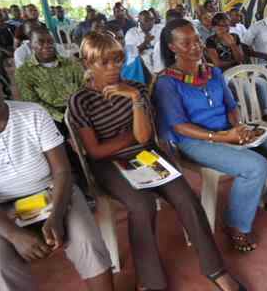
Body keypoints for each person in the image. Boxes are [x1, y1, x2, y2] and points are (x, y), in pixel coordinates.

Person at [69, 31, 247, 291]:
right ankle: (151, 281)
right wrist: (128, 139)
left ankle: (216, 270)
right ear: (87, 64)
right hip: (108, 164)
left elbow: (143, 138)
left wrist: (133, 99)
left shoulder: (137, 88)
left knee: (187, 197)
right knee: (141, 205)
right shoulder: (80, 101)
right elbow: (95, 151)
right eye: (104, 62)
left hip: (145, 154)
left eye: (117, 60)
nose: (113, 68)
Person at [0, 55, 114, 291]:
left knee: (87, 241)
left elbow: (63, 171)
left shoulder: (32, 114)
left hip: (51, 192)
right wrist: (15, 235)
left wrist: (56, 215)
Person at [154, 19, 267, 254]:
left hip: (227, 129)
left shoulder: (212, 72)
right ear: (172, 48)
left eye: (197, 39)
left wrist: (239, 128)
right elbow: (179, 127)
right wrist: (225, 137)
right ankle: (236, 225)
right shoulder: (167, 82)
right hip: (196, 141)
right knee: (255, 166)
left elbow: (231, 106)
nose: (196, 46)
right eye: (186, 42)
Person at [206, 12, 267, 120]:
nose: (226, 29)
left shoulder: (235, 37)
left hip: (240, 71)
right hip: (225, 74)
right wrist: (234, 62)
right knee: (245, 87)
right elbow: (217, 64)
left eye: (228, 25)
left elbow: (240, 58)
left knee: (263, 83)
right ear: (215, 27)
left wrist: (232, 45)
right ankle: (251, 117)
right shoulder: (210, 41)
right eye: (222, 26)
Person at [14, 27, 84, 124]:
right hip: (50, 117)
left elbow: (83, 87)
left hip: (78, 109)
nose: (47, 45)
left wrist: (80, 110)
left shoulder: (71, 64)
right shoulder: (24, 72)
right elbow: (33, 102)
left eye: (50, 41)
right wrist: (62, 117)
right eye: (41, 42)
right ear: (31, 45)